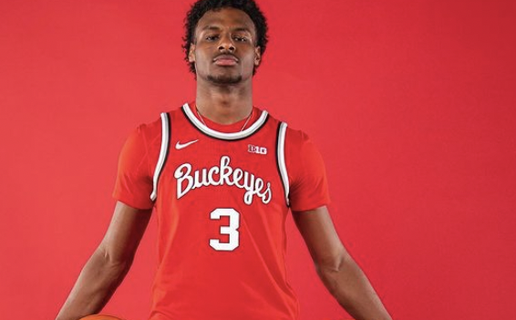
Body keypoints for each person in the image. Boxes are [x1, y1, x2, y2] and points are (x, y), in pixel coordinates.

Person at [56, 0, 393, 319]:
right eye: (212, 36)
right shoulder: (153, 140)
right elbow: (111, 258)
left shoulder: (290, 146)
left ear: (257, 54)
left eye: (240, 37)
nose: (226, 44)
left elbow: (334, 264)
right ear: (191, 51)